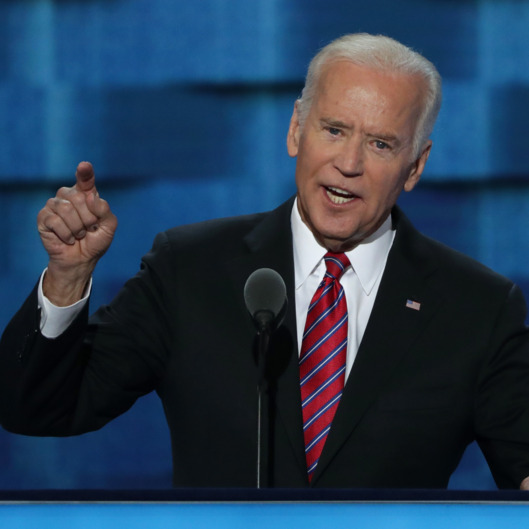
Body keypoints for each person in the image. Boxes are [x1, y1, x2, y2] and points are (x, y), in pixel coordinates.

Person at [2, 33, 529, 489]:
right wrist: (68, 279)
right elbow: (38, 409)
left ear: (415, 166)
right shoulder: (190, 269)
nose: (348, 164)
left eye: (381, 144)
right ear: (296, 129)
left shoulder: (475, 307)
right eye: (334, 130)